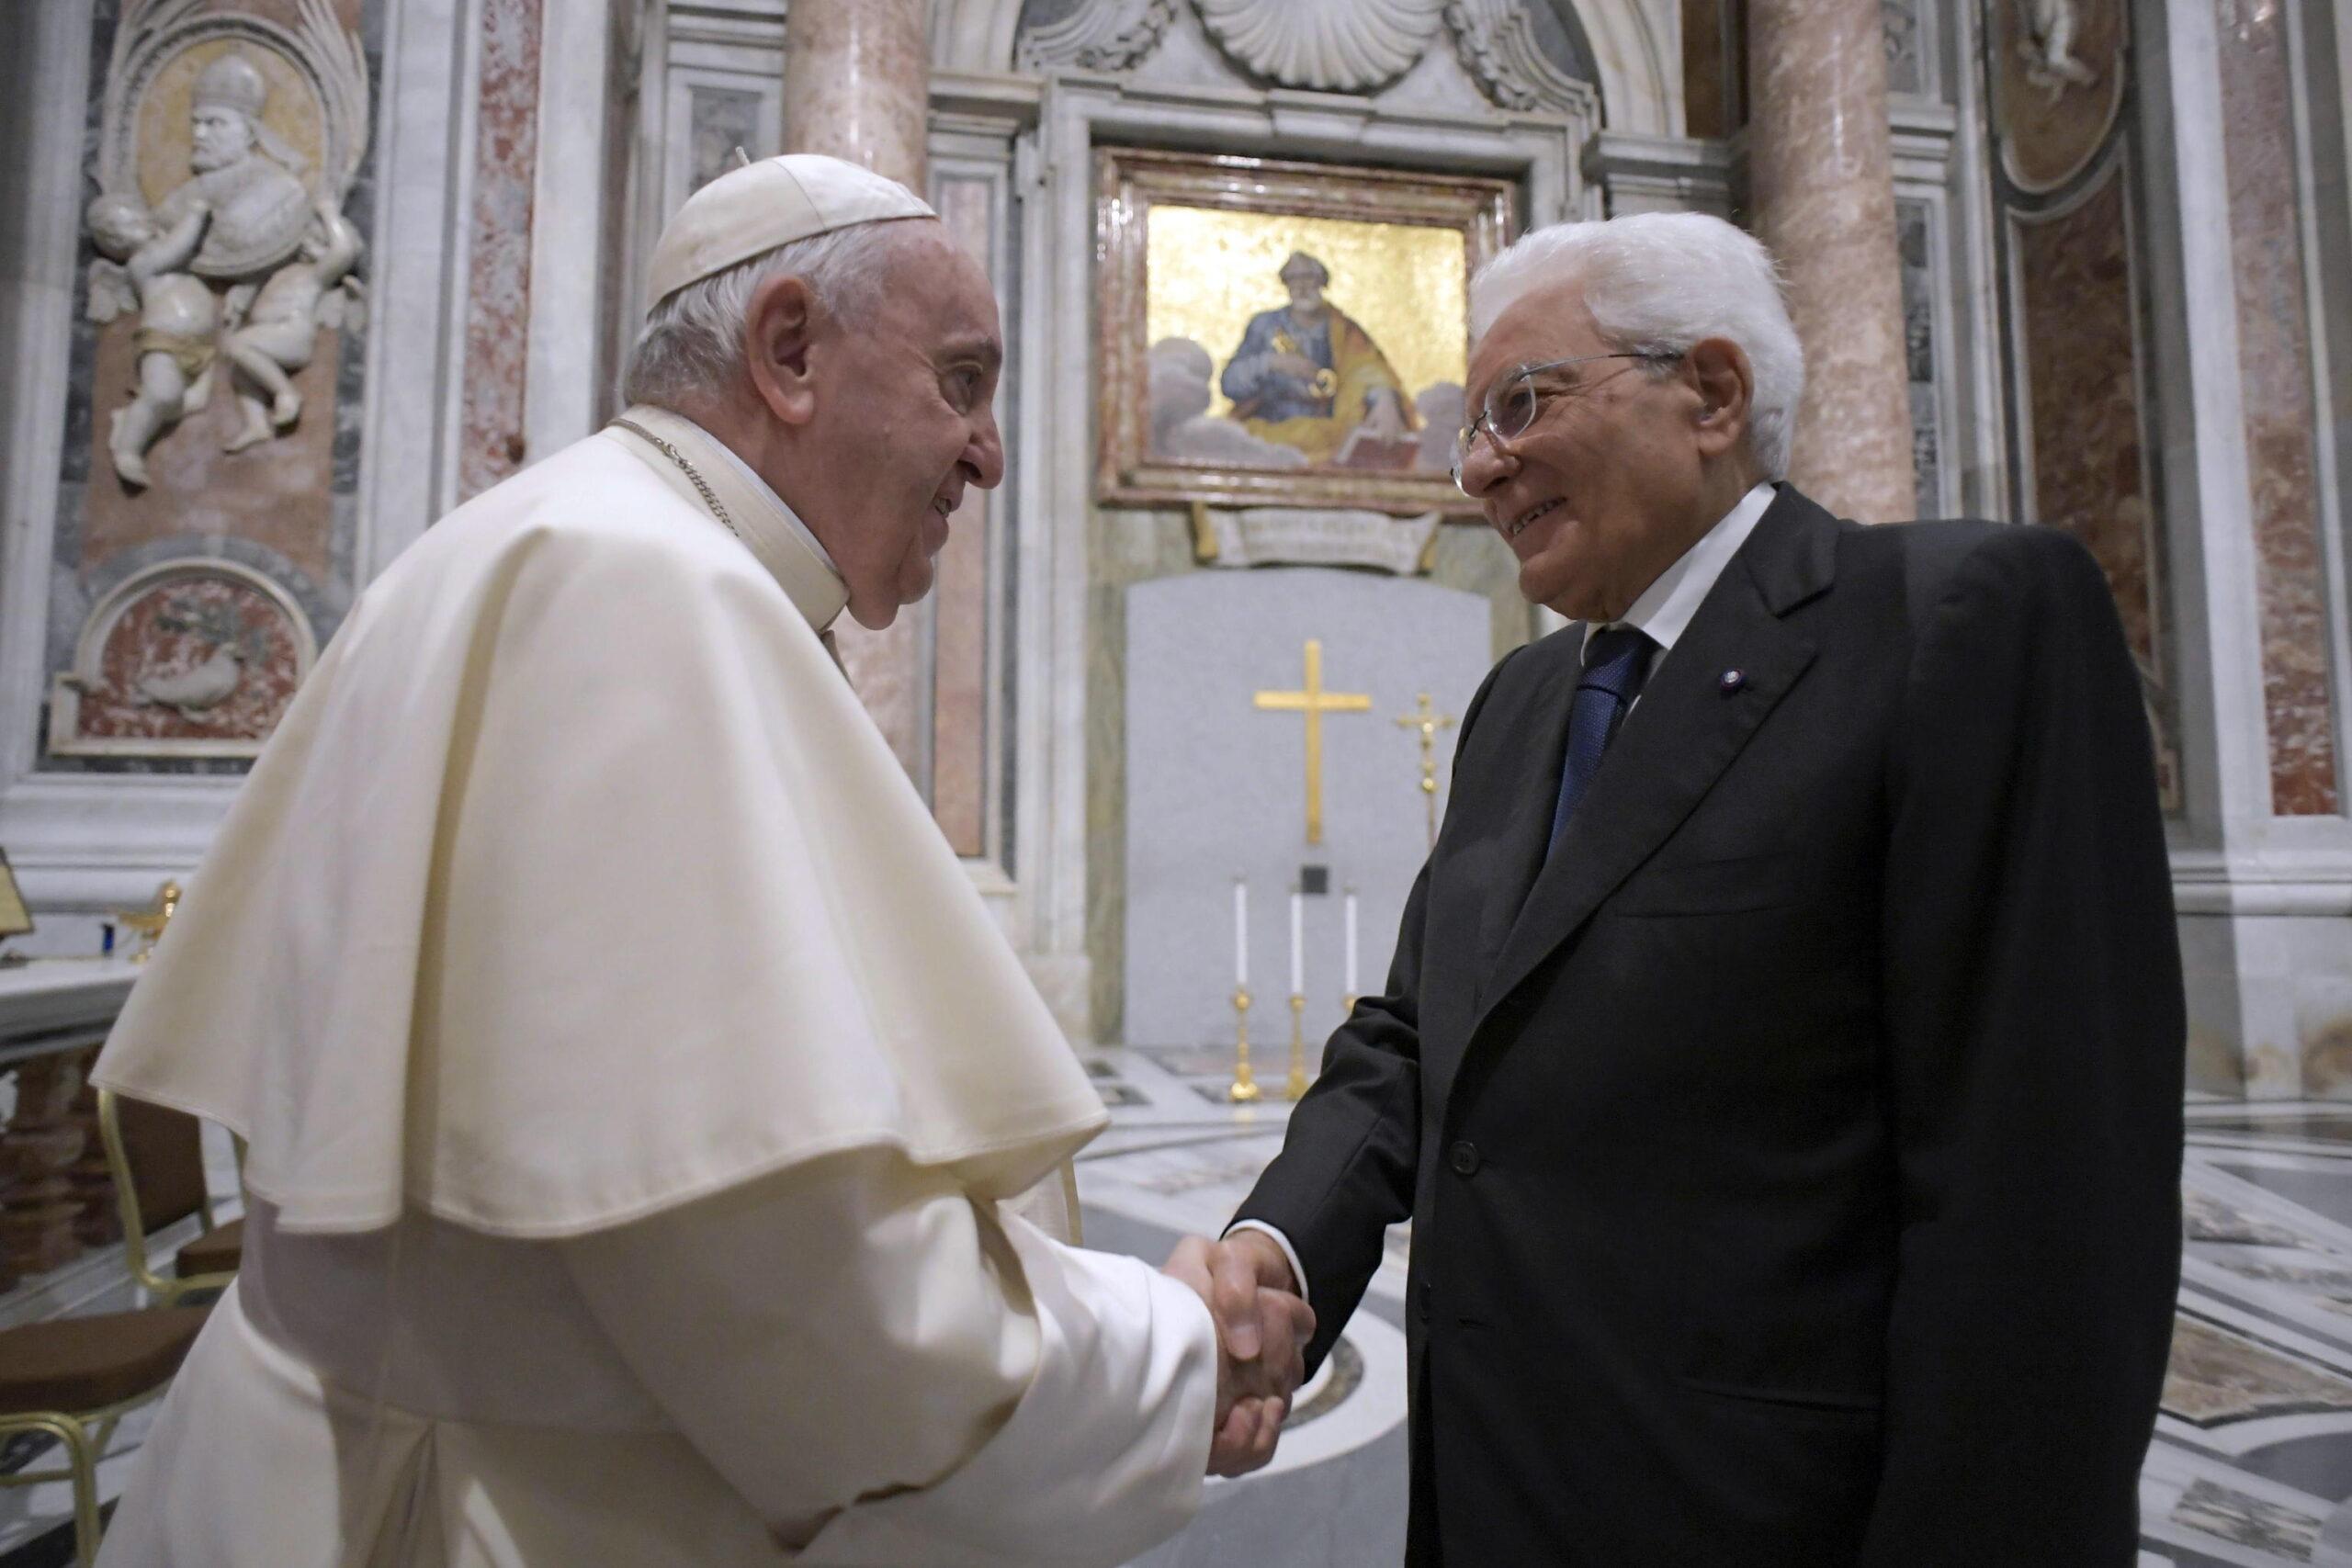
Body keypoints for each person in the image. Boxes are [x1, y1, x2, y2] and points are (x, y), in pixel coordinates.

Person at [92, 154, 1310, 1568]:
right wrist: (1173, 1350)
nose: (986, 450)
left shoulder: (552, 539)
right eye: (963, 380)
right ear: (789, 349)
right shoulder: (643, 590)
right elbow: (809, 1308)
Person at [1200, 210, 2185, 1563]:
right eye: (1468, 427)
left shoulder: (1953, 625)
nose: (1479, 468)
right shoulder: (1524, 699)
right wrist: (1282, 1250)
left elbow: (2045, 1210)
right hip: (1493, 1505)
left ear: (1710, 391)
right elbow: (1420, 1041)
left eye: (1520, 404)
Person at [1221, 251, 1413, 465]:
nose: (1302, 287)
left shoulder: (1341, 328)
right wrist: (1271, 363)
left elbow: (1365, 366)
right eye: (1294, 279)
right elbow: (1230, 384)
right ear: (1286, 284)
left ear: (1322, 283)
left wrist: (1384, 398)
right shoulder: (1264, 326)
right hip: (1270, 433)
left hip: (1327, 437)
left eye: (1308, 278)